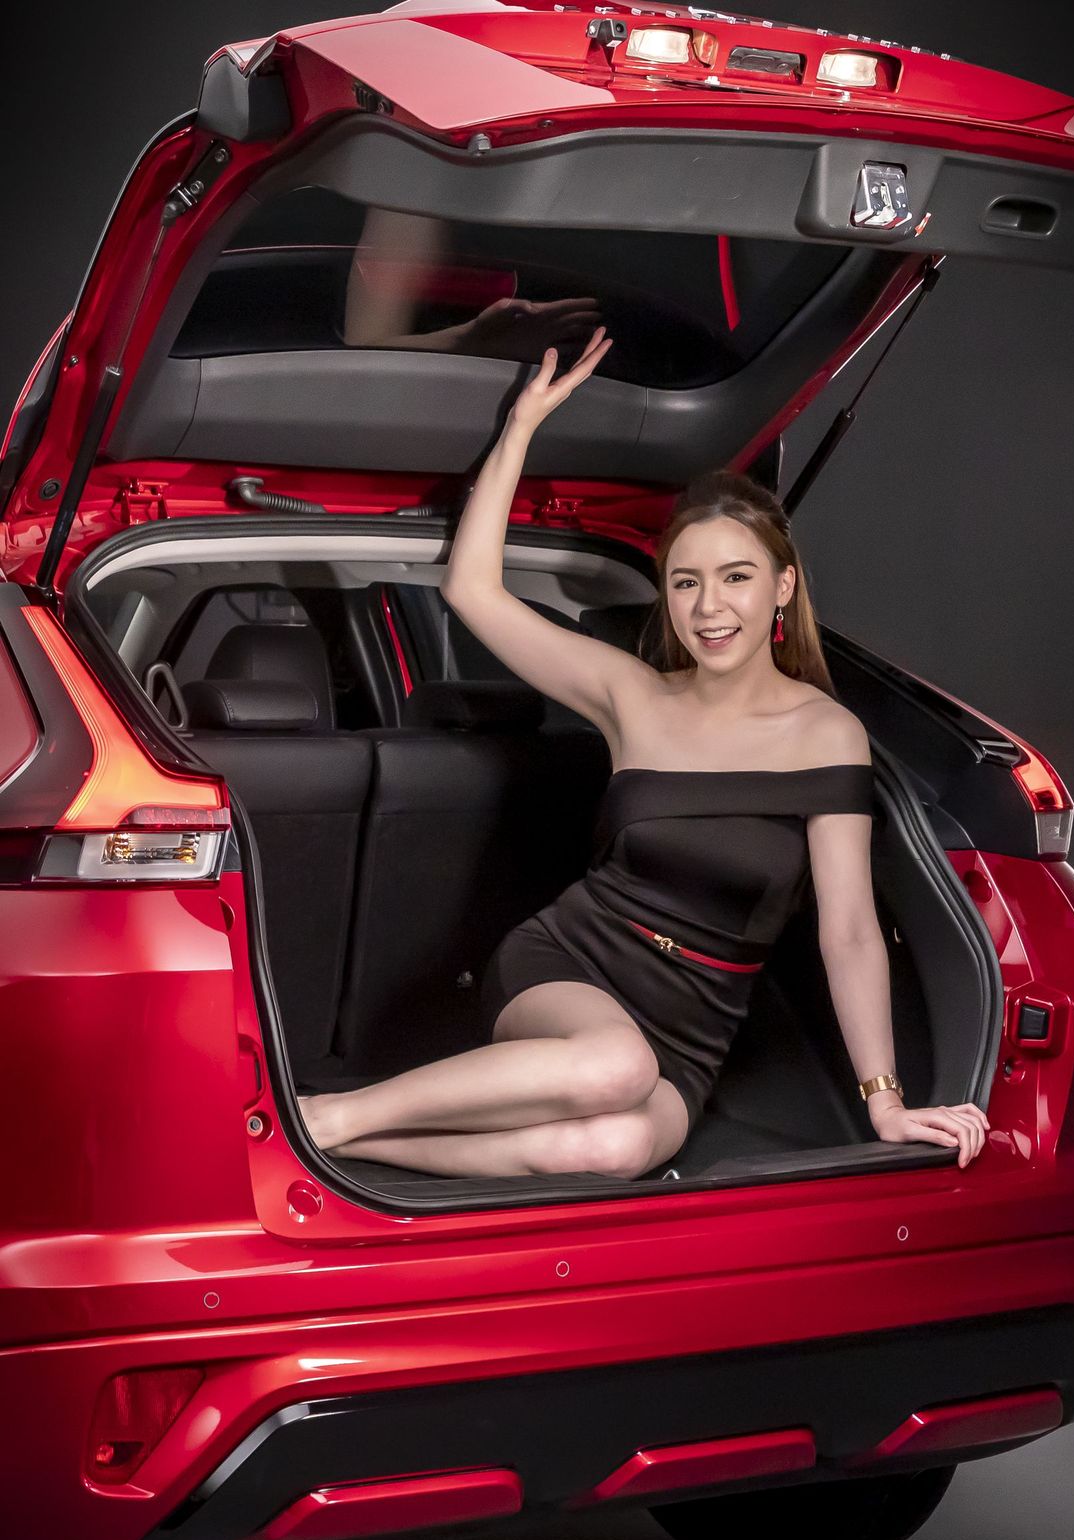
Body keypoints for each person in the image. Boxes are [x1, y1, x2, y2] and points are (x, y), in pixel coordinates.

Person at [298, 327, 989, 1179]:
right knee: (613, 1069)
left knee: (616, 1146)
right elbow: (472, 590)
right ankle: (325, 1115)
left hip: (692, 1029)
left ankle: (334, 1146)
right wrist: (521, 427)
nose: (709, 607)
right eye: (685, 582)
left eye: (736, 577)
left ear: (782, 587)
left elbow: (848, 932)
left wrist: (885, 1099)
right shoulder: (633, 694)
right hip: (569, 971)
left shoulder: (827, 734)